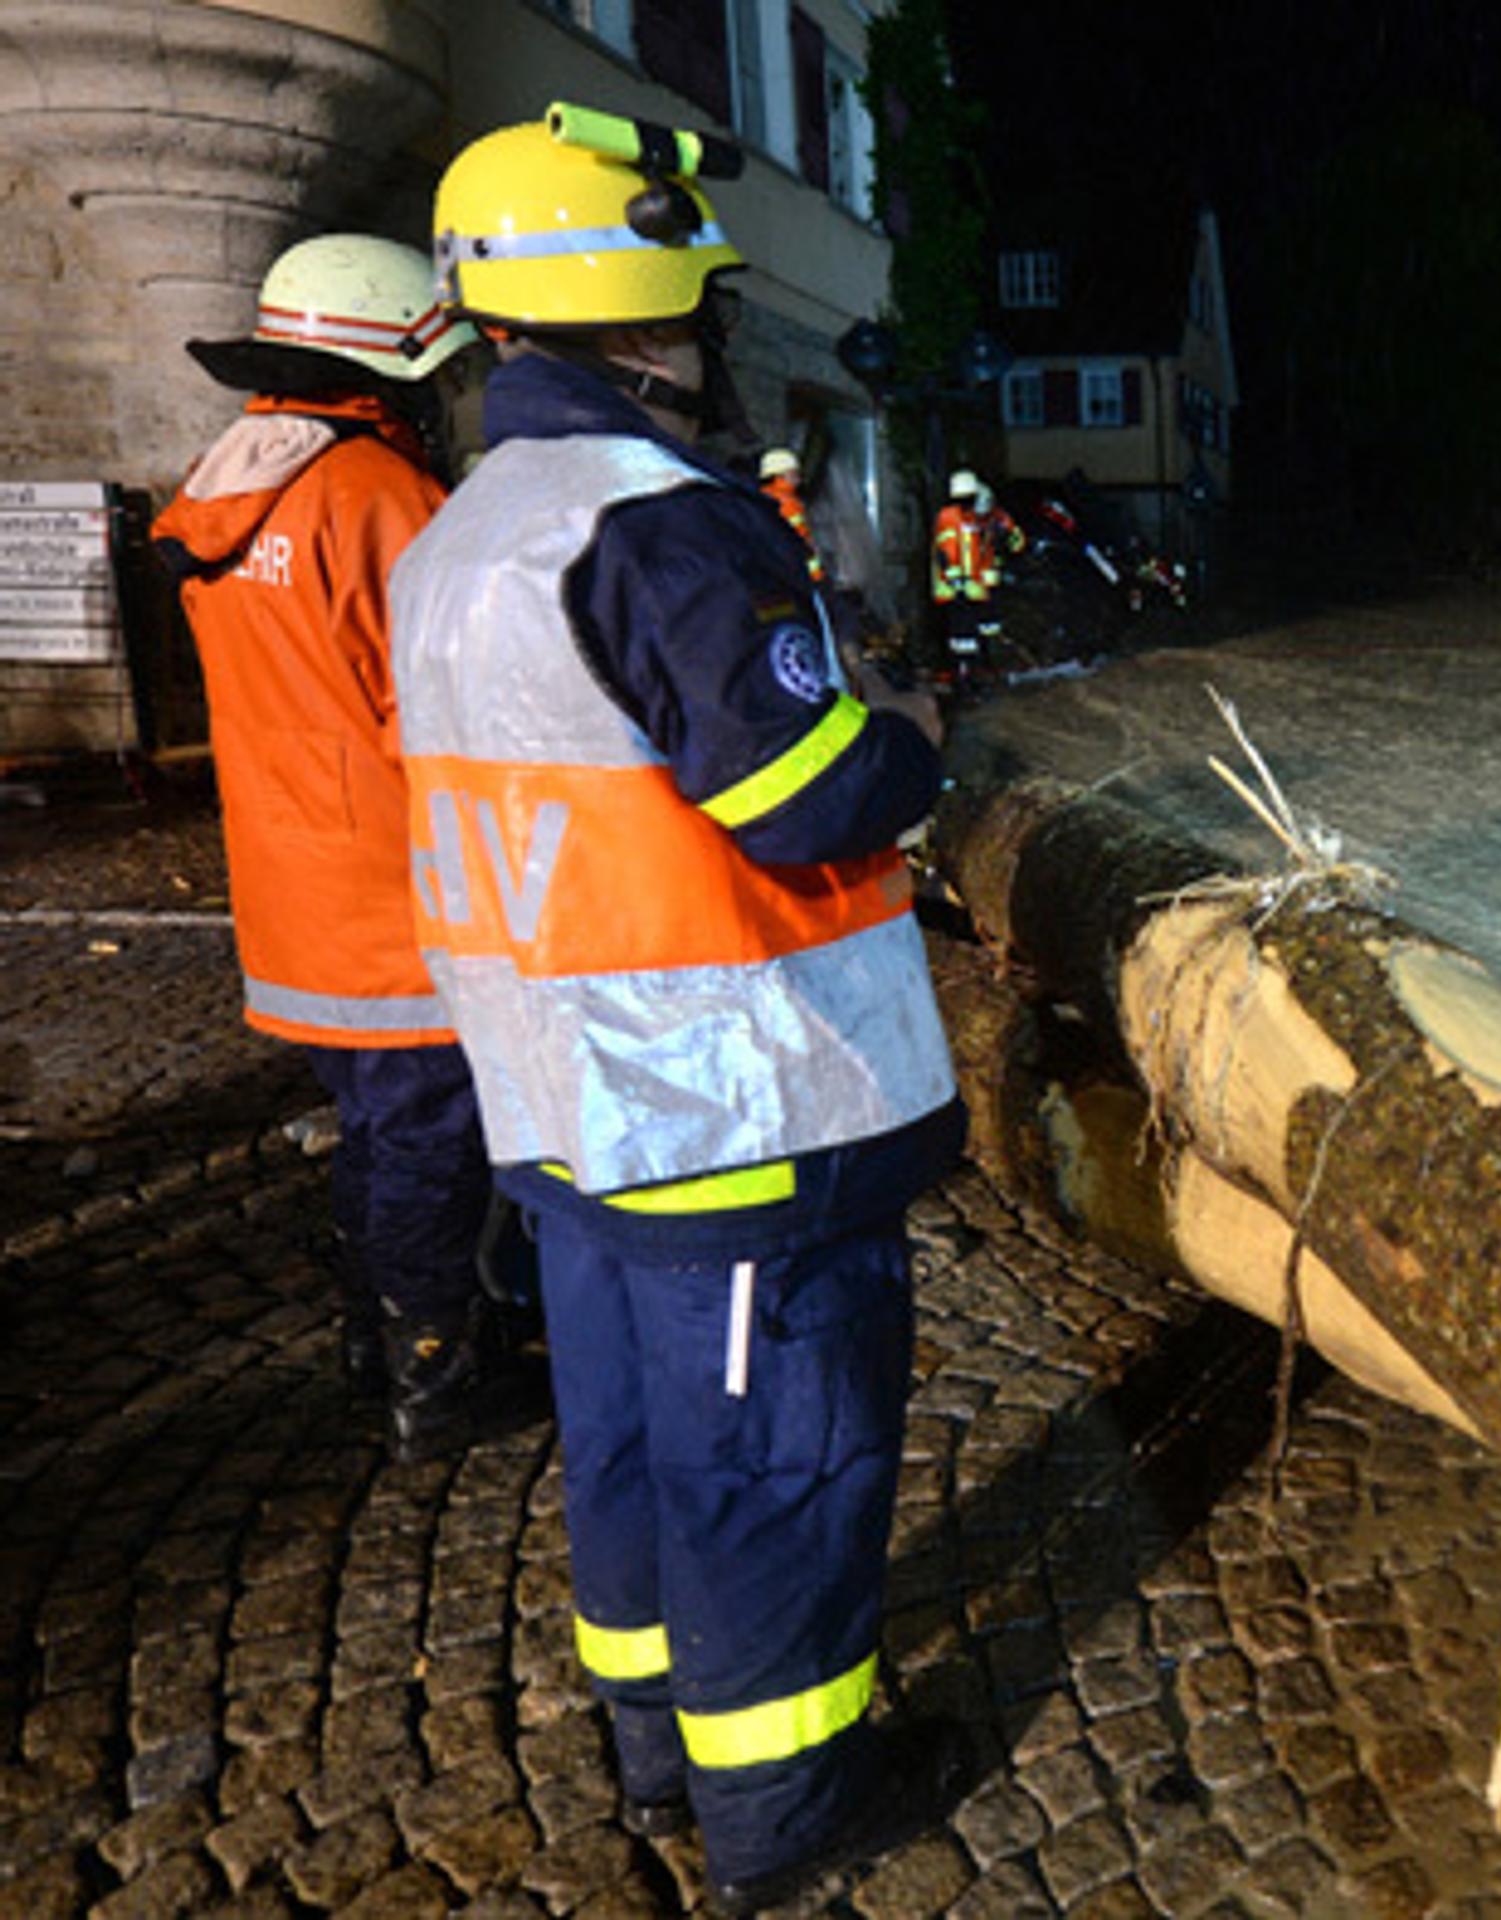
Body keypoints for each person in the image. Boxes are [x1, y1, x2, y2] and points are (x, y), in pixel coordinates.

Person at [394, 104, 971, 1910]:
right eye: (701, 299)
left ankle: (655, 1753)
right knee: (776, 1474)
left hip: (566, 1104)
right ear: (644, 307)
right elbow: (804, 797)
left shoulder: (467, 530)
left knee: (634, 1449)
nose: (714, 334)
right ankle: (790, 1813)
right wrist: (916, 749)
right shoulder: (659, 527)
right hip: (731, 1113)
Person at [146, 233, 548, 1463]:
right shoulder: (378, 494)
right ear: (390, 362)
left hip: (295, 886)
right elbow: (455, 699)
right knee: (432, 1135)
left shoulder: (235, 482)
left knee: (380, 1131)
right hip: (397, 891)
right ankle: (437, 1375)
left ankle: (374, 1342)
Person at [928, 468, 1020, 673]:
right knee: (963, 639)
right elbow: (947, 554)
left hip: (981, 590)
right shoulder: (952, 518)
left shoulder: (994, 518)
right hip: (956, 591)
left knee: (986, 630)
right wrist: (959, 583)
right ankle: (964, 676)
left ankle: (985, 667)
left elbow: (1016, 543)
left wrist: (1006, 538)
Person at [756, 446, 825, 581]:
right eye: (794, 472)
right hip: (803, 572)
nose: (798, 476)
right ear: (781, 475)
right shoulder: (787, 502)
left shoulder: (765, 496)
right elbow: (800, 538)